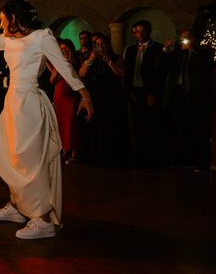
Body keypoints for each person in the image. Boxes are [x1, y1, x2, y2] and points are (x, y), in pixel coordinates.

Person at [0, 0, 94, 240]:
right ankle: (18, 206)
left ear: (13, 18)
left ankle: (42, 218)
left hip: (29, 104)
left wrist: (84, 95)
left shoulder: (41, 37)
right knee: (8, 155)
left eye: (2, 20)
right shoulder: (9, 40)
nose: (0, 24)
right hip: (12, 103)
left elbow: (63, 66)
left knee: (30, 160)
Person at [162, 29, 214, 171]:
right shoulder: (178, 54)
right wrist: (166, 50)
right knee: (182, 129)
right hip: (179, 95)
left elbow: (206, 68)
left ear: (194, 40)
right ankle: (186, 161)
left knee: (199, 130)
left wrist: (192, 51)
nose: (183, 41)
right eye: (182, 39)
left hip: (196, 96)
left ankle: (203, 163)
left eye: (186, 38)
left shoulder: (204, 53)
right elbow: (161, 65)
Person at [79, 34, 129, 166]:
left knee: (112, 125)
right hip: (96, 97)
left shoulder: (116, 58)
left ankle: (114, 157)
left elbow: (122, 74)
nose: (100, 47)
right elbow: (81, 74)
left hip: (112, 97)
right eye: (97, 44)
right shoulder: (89, 58)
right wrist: (90, 59)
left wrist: (108, 61)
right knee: (97, 126)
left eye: (103, 44)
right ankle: (96, 157)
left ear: (108, 45)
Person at [123, 20, 165, 166]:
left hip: (150, 91)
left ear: (148, 31)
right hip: (135, 90)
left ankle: (153, 157)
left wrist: (152, 92)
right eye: (137, 32)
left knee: (152, 124)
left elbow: (159, 73)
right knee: (137, 123)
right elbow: (127, 72)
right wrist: (129, 91)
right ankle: (140, 156)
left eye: (142, 31)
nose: (139, 35)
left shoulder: (158, 48)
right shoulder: (130, 49)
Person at [49, 39, 82, 165]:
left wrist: (67, 63)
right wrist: (59, 64)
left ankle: (74, 153)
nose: (64, 51)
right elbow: (52, 80)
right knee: (61, 126)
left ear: (71, 50)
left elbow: (77, 79)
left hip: (70, 98)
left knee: (70, 126)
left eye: (66, 49)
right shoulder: (58, 64)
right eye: (61, 50)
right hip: (58, 98)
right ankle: (64, 151)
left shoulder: (75, 63)